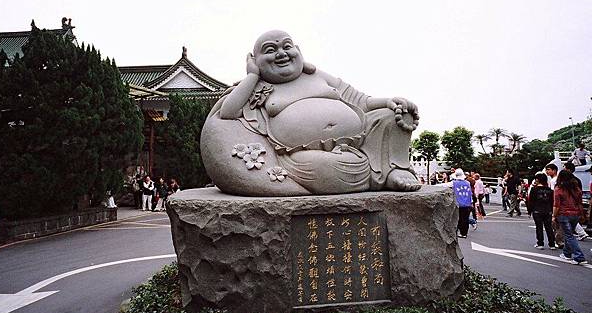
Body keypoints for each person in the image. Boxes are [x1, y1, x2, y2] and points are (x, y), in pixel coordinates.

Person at [202, 30, 421, 196]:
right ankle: (375, 174)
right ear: (255, 59)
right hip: (305, 156)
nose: (281, 54)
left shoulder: (317, 75)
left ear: (298, 50)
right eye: (270, 50)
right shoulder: (256, 87)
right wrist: (251, 76)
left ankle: (393, 168)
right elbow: (228, 113)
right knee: (323, 168)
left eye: (287, 47)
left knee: (391, 117)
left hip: (358, 142)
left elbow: (361, 101)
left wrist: (389, 101)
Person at [553, 170, 588, 264]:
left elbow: (556, 205)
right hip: (575, 214)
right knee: (569, 235)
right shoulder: (577, 189)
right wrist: (582, 215)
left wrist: (554, 216)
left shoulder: (558, 189)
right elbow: (579, 203)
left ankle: (579, 257)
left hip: (564, 214)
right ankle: (566, 253)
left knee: (569, 236)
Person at [527, 173, 556, 249]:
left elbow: (531, 201)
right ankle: (552, 244)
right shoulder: (550, 190)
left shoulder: (534, 189)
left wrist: (529, 211)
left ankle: (540, 243)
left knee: (539, 227)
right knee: (549, 227)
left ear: (537, 180)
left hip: (537, 210)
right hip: (548, 210)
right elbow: (552, 201)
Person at [563, 162, 589, 241]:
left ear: (569, 170)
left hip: (569, 202)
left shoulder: (568, 181)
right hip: (575, 202)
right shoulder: (577, 180)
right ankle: (580, 233)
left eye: (564, 168)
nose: (563, 169)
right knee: (573, 218)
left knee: (569, 218)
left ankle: (580, 233)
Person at [449, 169, 473, 238]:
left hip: (458, 204)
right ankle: (464, 233)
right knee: (465, 219)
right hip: (467, 204)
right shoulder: (468, 183)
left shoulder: (454, 183)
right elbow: (470, 194)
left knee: (457, 219)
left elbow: (443, 185)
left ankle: (457, 232)